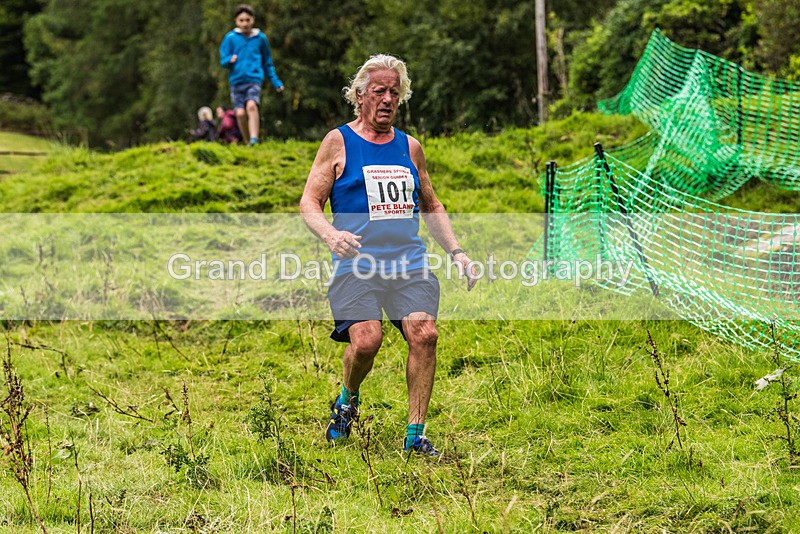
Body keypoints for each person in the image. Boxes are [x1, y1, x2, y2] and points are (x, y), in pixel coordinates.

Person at [299, 54, 477, 457]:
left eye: (394, 92)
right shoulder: (338, 142)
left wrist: (458, 253)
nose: (387, 99)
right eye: (378, 91)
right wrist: (331, 234)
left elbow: (431, 205)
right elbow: (310, 201)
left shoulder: (410, 148)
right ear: (359, 96)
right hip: (356, 265)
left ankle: (415, 437)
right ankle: (347, 400)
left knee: (425, 335)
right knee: (366, 342)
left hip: (408, 264)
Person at [219, 4, 284, 146]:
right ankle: (248, 141)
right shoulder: (230, 38)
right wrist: (229, 60)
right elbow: (222, 60)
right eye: (241, 20)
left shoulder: (260, 38)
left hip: (254, 79)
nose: (245, 23)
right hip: (236, 81)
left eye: (247, 20)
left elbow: (267, 62)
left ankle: (254, 138)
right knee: (240, 113)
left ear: (252, 20)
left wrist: (276, 82)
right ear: (236, 21)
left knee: (251, 106)